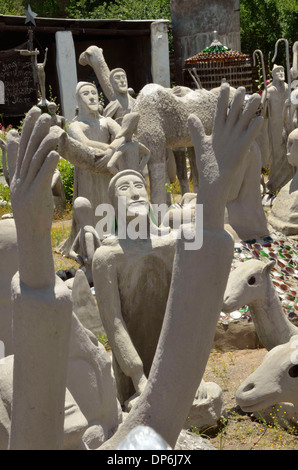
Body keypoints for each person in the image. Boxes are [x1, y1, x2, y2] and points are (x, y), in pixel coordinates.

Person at [261, 64, 292, 192]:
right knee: (276, 152)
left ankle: (287, 180)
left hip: (287, 123)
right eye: (278, 71)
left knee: (287, 150)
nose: (281, 73)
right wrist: (265, 101)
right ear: (273, 74)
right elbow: (263, 112)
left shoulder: (288, 88)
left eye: (282, 70)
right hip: (274, 126)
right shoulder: (269, 90)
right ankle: (275, 182)